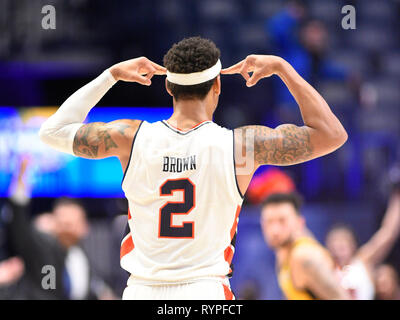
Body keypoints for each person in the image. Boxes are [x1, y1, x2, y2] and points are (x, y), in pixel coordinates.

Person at [39, 36, 347, 300]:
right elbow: (332, 134)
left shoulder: (130, 138)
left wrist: (112, 75)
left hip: (142, 290)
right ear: (217, 85)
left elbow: (51, 132)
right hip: (206, 291)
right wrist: (283, 68)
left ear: (169, 88)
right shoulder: (242, 146)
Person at [260, 192, 349, 300]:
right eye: (269, 222)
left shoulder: (303, 256)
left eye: (282, 221)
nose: (275, 230)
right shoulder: (283, 252)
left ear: (299, 222)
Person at [325, 189, 400, 299]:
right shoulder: (326, 267)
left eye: (342, 246)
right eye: (334, 246)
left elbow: (388, 233)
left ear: (353, 246)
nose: (338, 251)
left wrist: (397, 197)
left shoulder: (363, 261)